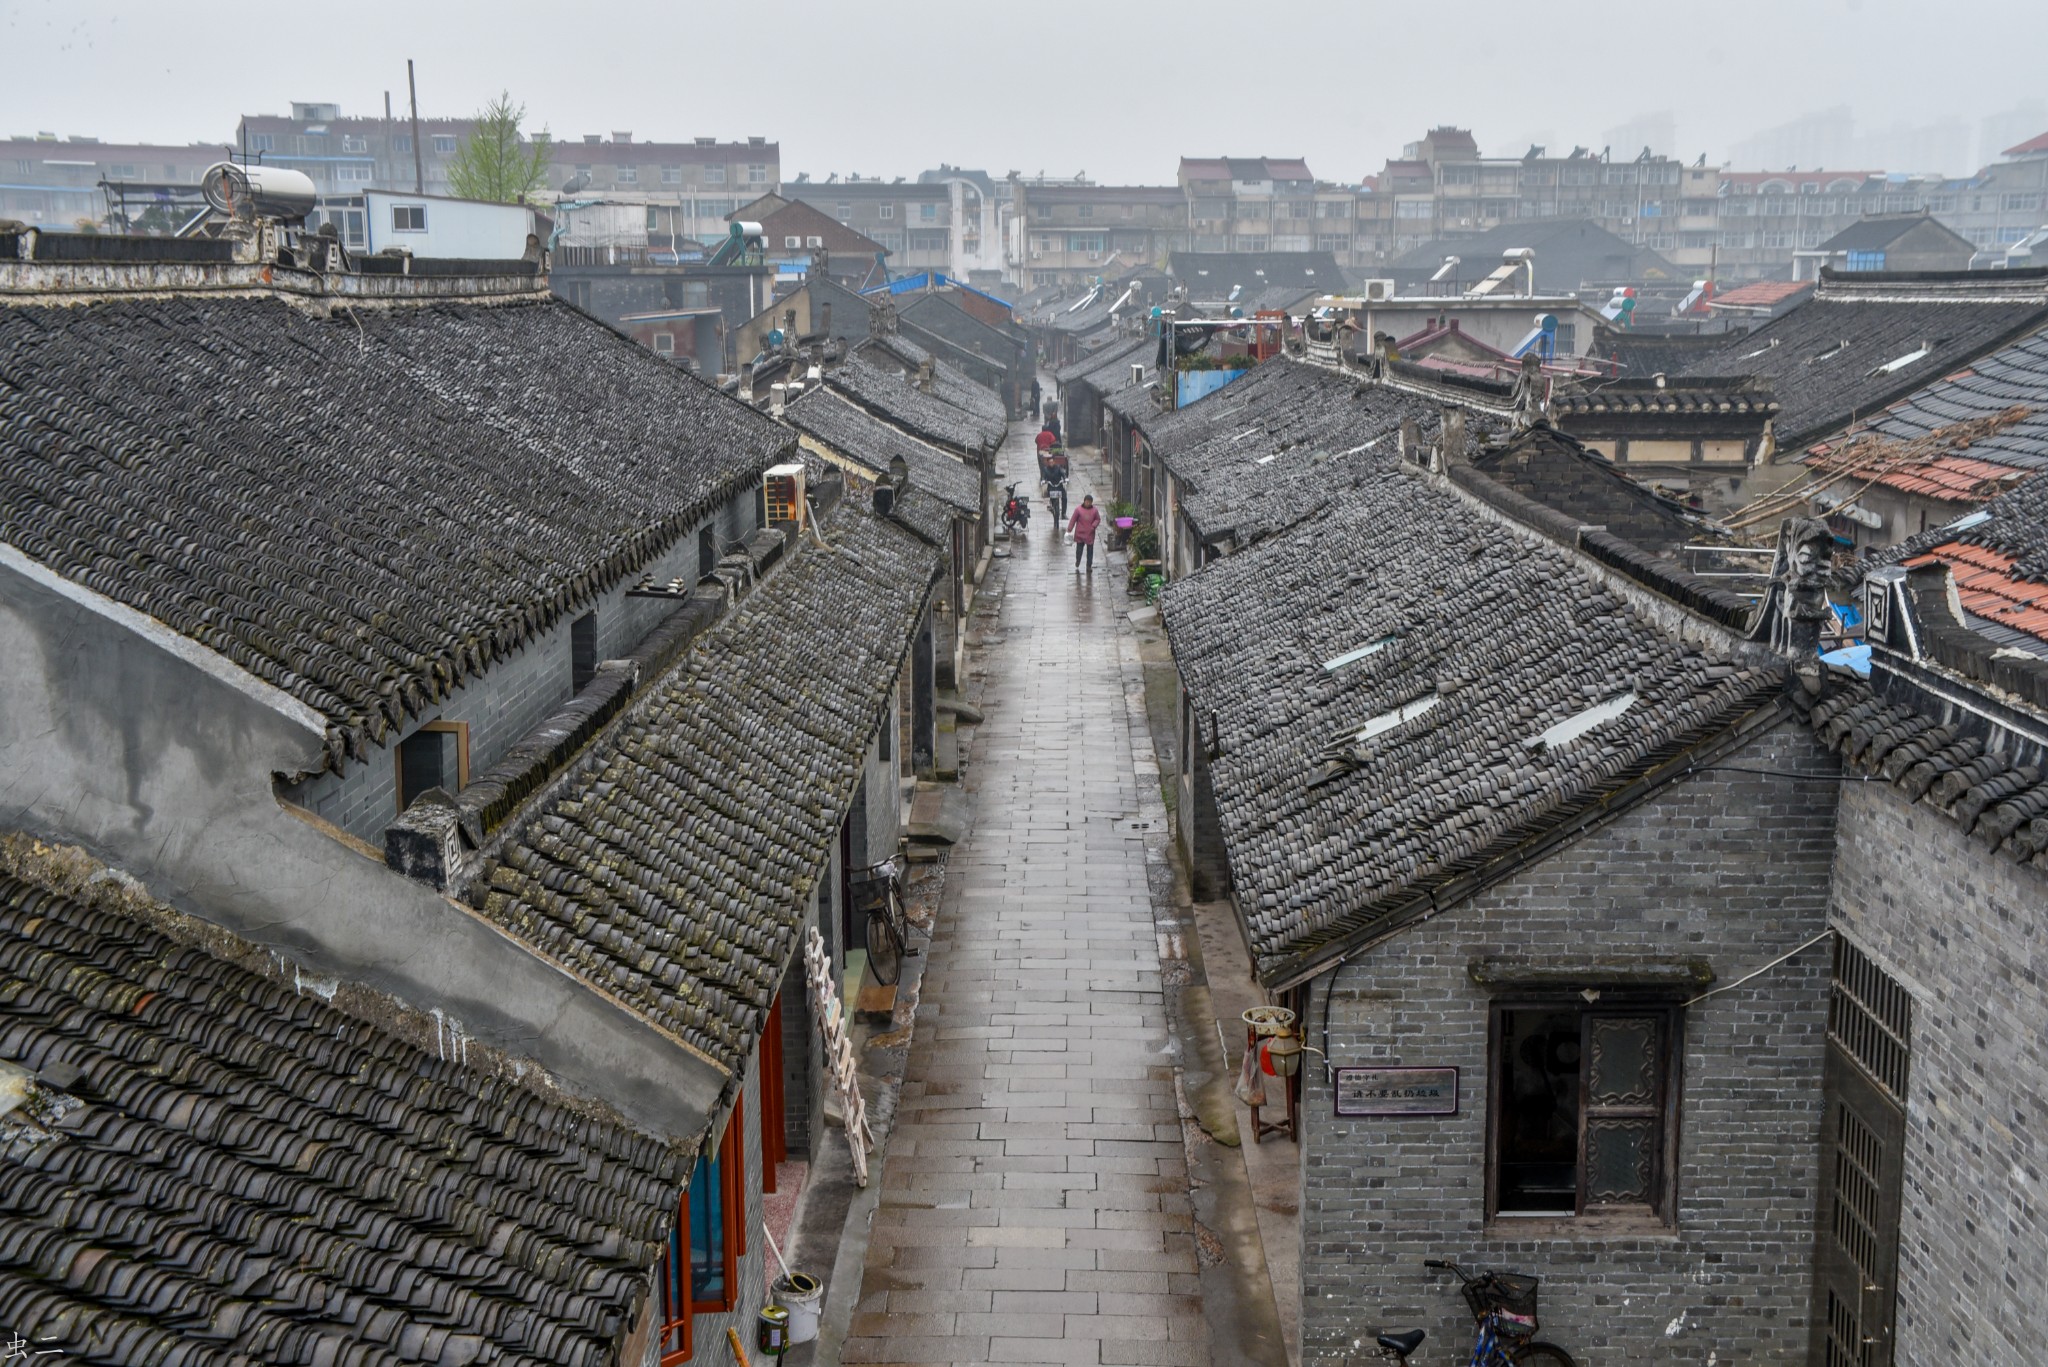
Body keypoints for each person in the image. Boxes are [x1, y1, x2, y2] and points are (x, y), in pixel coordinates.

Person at [1068, 493, 1101, 573]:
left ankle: (1089, 565)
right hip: (1080, 533)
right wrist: (1070, 528)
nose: (1088, 503)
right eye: (1087, 501)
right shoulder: (1078, 510)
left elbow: (1098, 519)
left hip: (1090, 534)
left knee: (1090, 551)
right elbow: (1073, 519)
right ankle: (1078, 560)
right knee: (1079, 550)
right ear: (1084, 501)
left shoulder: (1094, 511)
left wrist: (1093, 526)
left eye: (1090, 502)